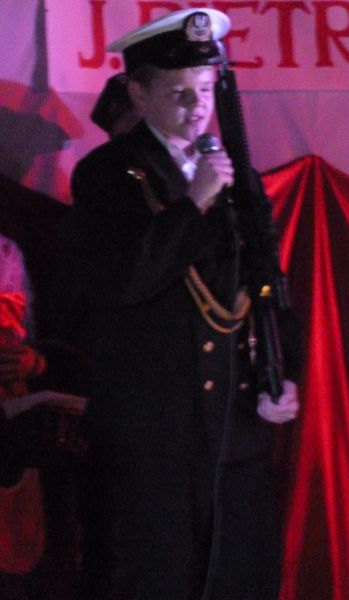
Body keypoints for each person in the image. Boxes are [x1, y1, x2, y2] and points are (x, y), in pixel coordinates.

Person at [71, 8, 300, 600]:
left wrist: (284, 375)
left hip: (234, 428)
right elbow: (121, 282)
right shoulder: (106, 175)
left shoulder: (235, 172)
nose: (197, 106)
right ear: (138, 94)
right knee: (157, 582)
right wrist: (191, 205)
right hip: (154, 433)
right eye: (178, 92)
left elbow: (268, 283)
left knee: (242, 580)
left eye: (203, 89)